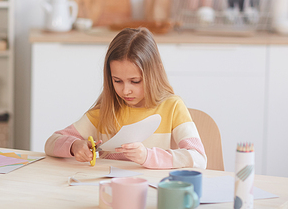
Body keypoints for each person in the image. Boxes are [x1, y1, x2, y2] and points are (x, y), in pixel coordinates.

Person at [44, 27, 207, 169]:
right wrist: (74, 146)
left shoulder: (172, 107)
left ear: (155, 73)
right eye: (117, 81)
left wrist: (148, 157)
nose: (125, 90)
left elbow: (199, 158)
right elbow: (51, 142)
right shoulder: (105, 111)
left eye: (135, 81)